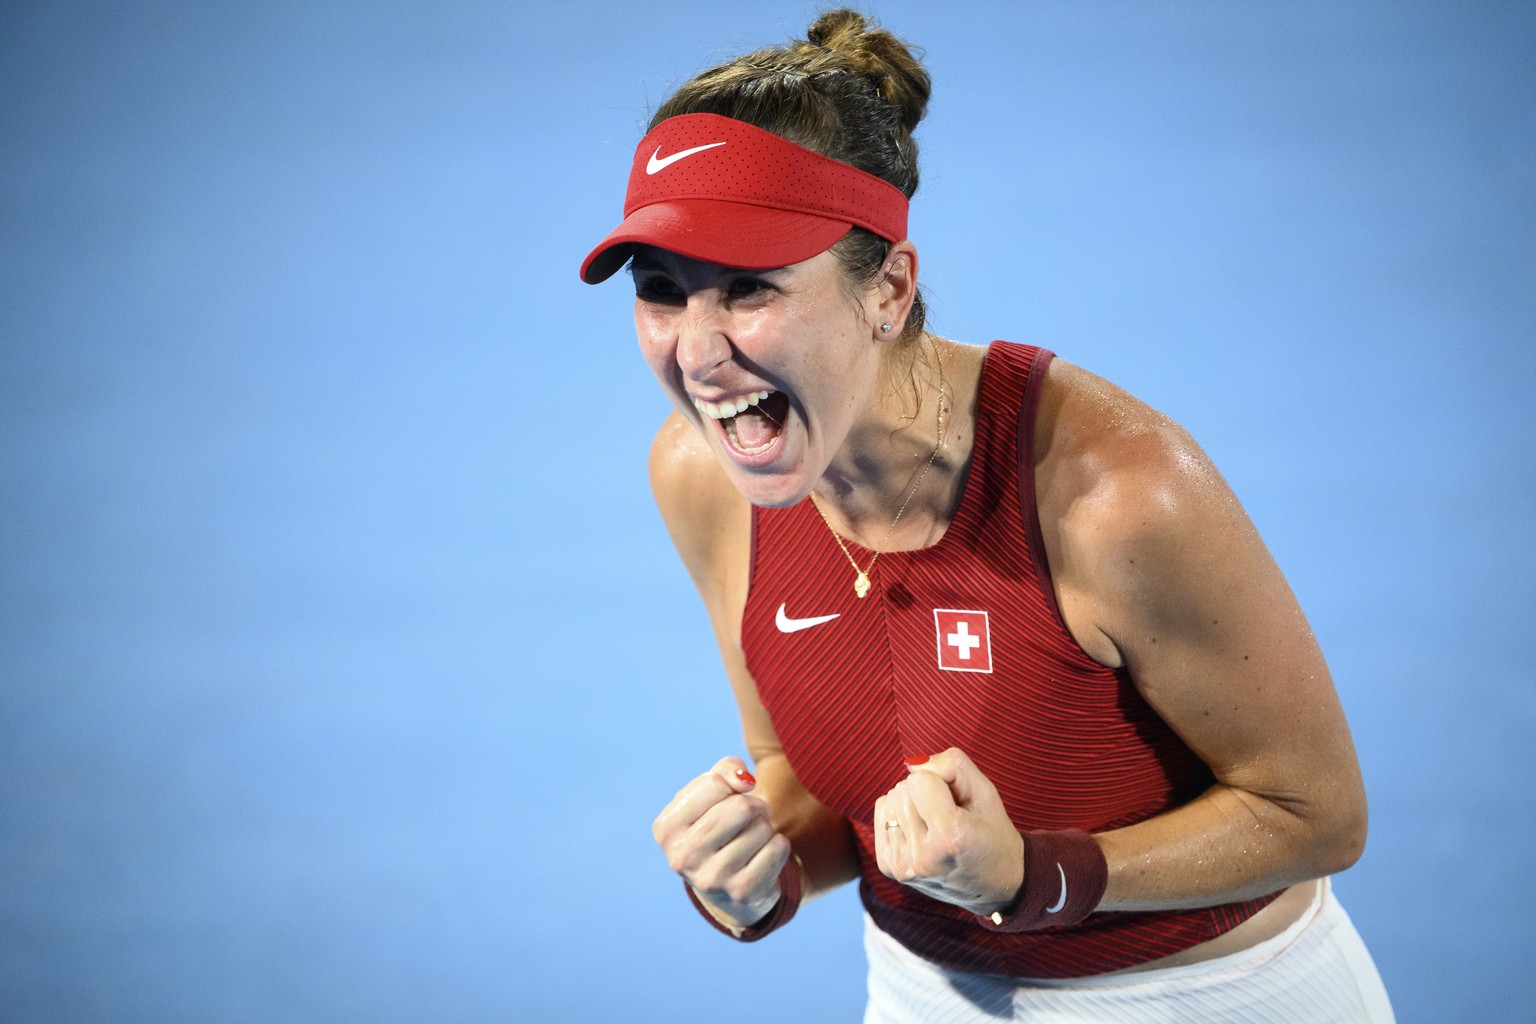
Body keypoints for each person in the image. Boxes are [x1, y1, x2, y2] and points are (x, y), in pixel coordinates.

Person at [580, 10, 1394, 1022]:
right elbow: (814, 780)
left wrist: (1037, 876)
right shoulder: (701, 476)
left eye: (749, 290)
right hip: (925, 993)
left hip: (1215, 998)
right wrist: (754, 867)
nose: (698, 356)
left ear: (888, 288)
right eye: (664, 292)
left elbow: (1315, 813)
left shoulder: (1114, 494)